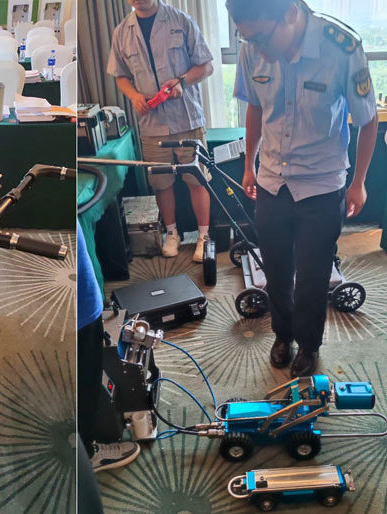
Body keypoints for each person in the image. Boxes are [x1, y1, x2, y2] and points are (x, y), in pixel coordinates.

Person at [226, 0, 378, 377]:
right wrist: (249, 165)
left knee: (312, 276)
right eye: (247, 39)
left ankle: (309, 344)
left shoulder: (342, 47)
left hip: (322, 186)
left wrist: (358, 183)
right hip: (272, 180)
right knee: (276, 268)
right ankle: (283, 335)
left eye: (261, 38)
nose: (257, 49)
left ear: (291, 13)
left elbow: (367, 119)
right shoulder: (252, 46)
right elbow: (255, 108)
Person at [107, 0, 214, 260]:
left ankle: (203, 236)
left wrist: (182, 82)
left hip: (187, 119)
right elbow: (120, 76)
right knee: (161, 183)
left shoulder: (181, 21)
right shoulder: (122, 31)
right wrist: (134, 96)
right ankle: (172, 233)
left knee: (197, 180)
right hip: (152, 124)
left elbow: (206, 66)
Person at [77, 223, 140, 512]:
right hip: (74, 310)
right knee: (84, 385)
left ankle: (84, 444)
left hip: (81, 296)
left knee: (87, 379)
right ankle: (86, 451)